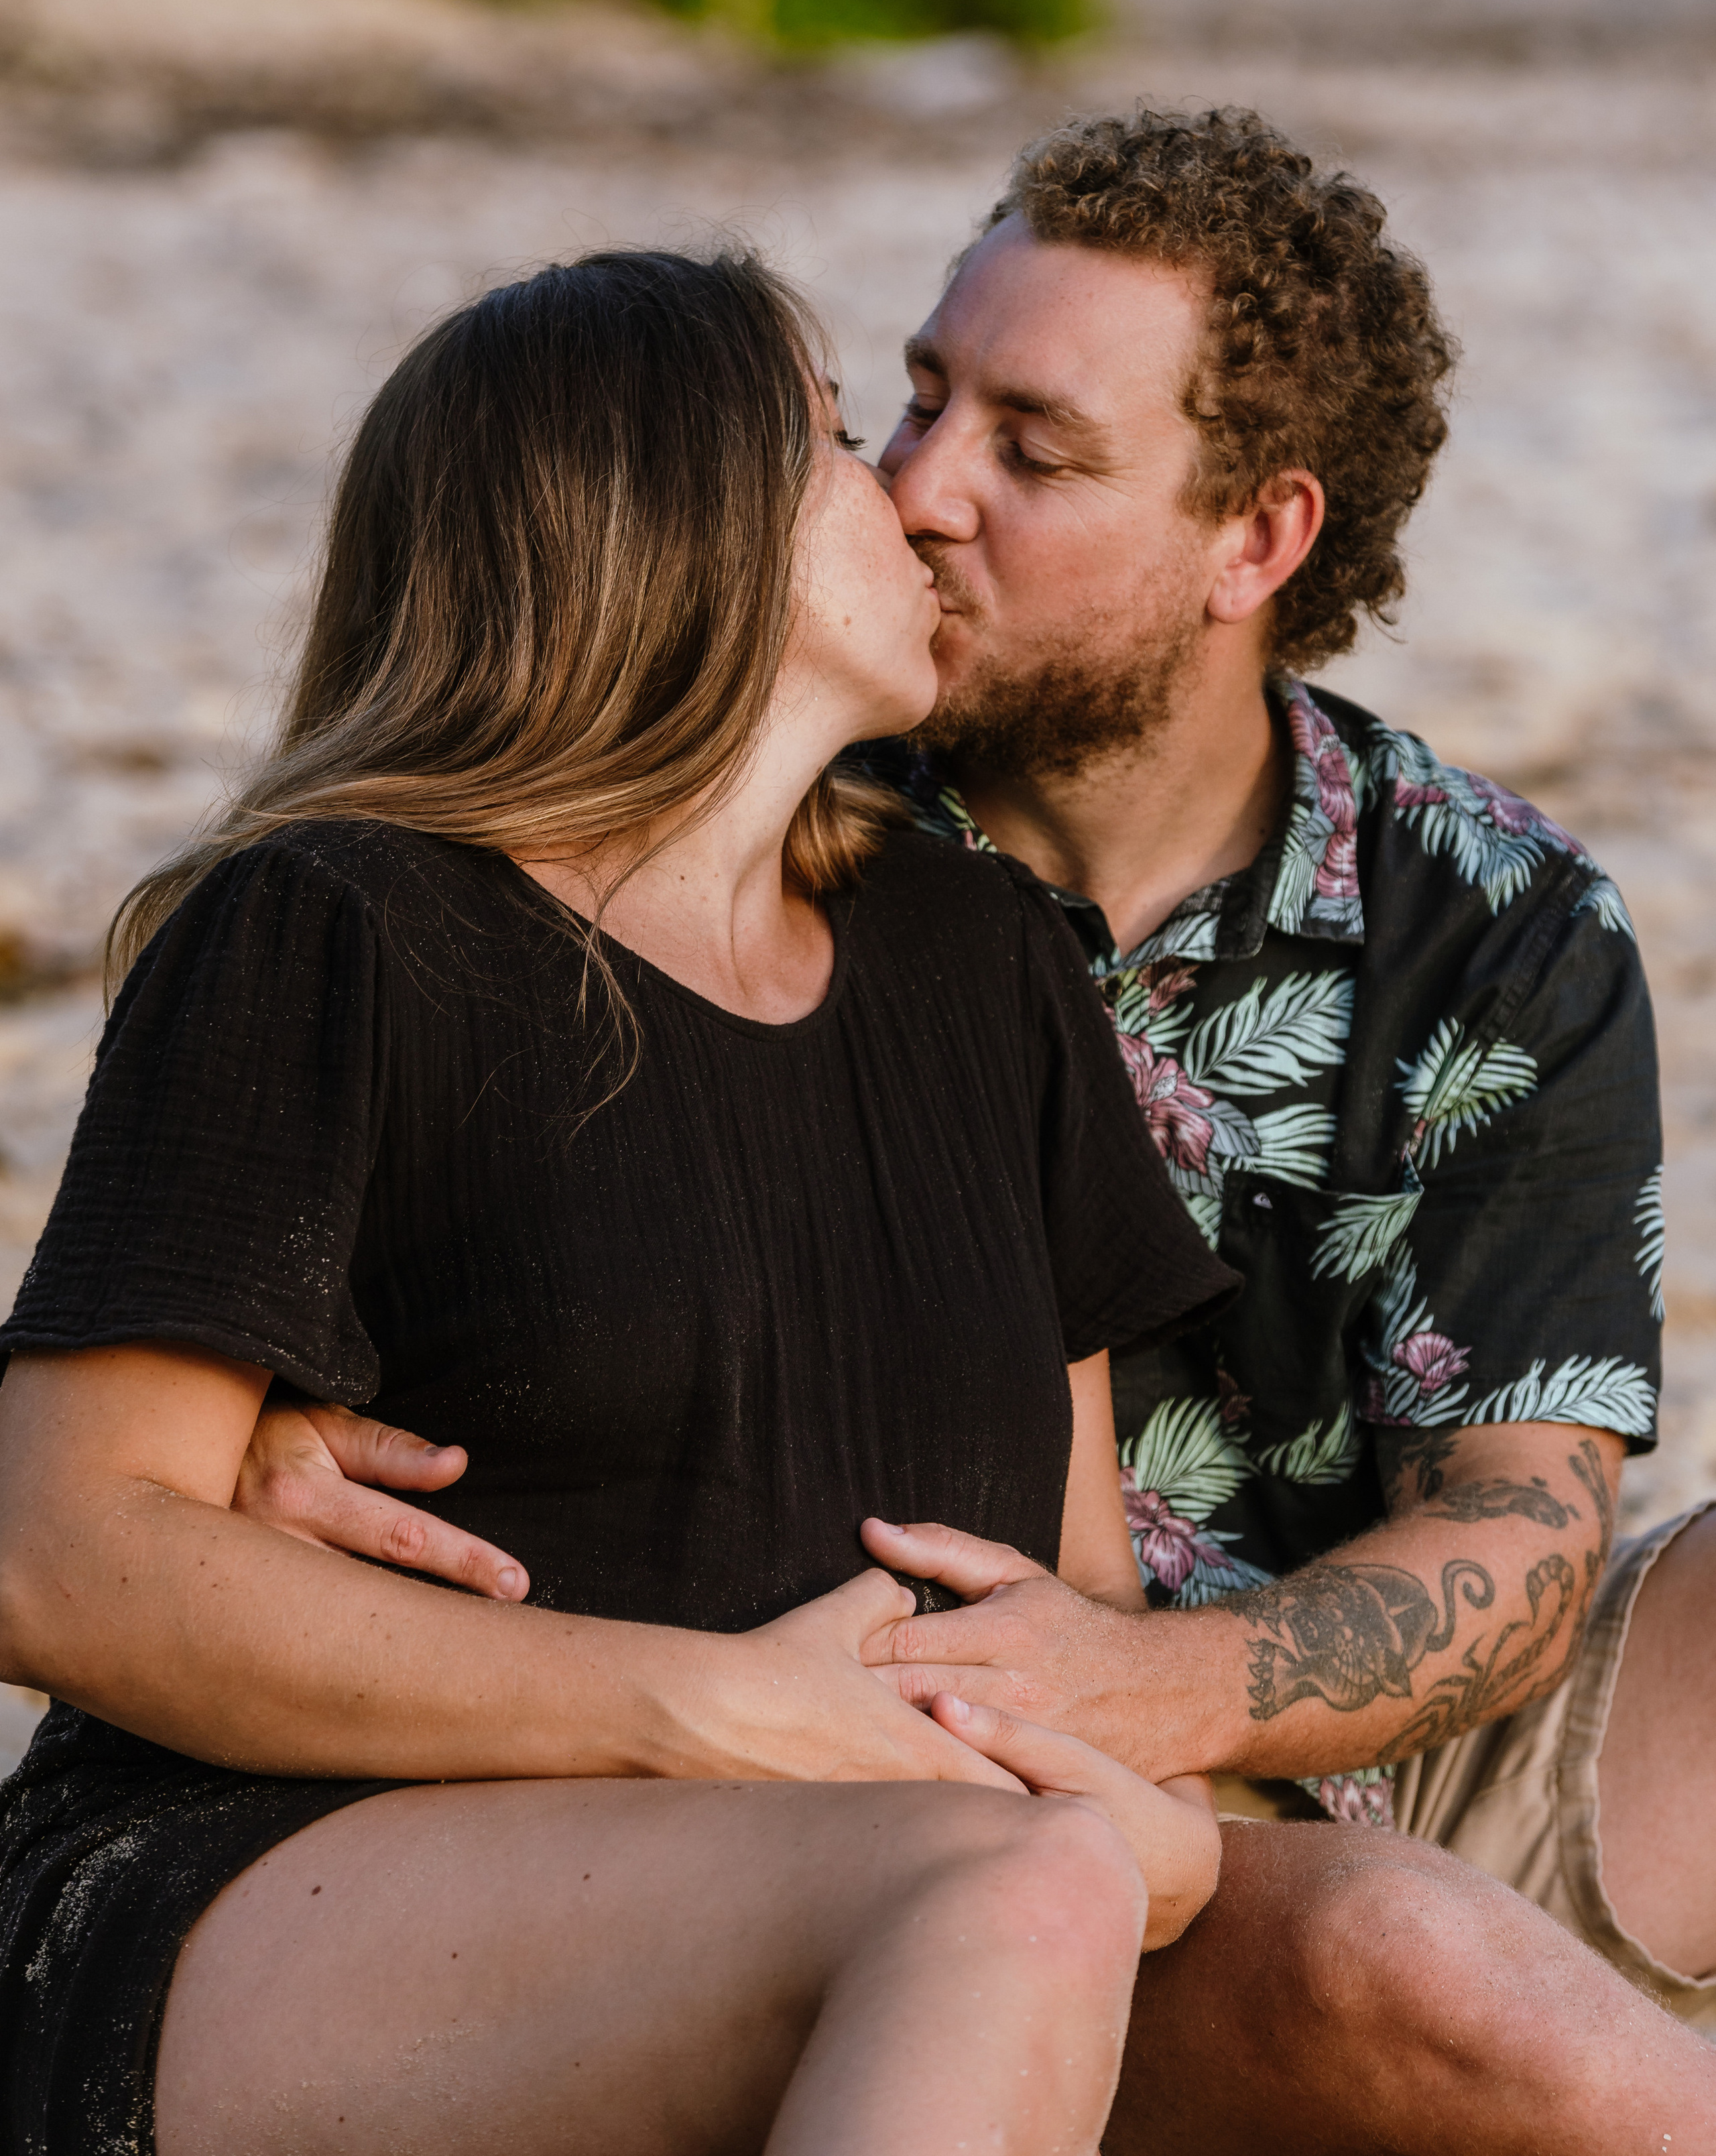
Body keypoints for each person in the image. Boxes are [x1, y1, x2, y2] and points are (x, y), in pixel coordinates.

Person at [254, 116, 1716, 2151]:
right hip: (926, 1782)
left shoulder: (1489, 918)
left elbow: (1526, 1528)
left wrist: (1144, 1682)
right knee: (1318, 1946)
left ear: (1255, 541)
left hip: (1330, 1727)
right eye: (921, 395)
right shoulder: (771, 794)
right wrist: (258, 1412)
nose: (920, 487)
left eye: (1036, 448)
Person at [0, 247, 1235, 2156]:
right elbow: (60, 1554)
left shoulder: (983, 958)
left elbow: (1075, 1594)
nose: (914, 500)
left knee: (1347, 1949)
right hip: (290, 1878)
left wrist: (1141, 1818)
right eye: (838, 440)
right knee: (1013, 1894)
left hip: (897, 1868)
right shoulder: (337, 923)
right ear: (667, 518)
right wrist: (713, 1713)